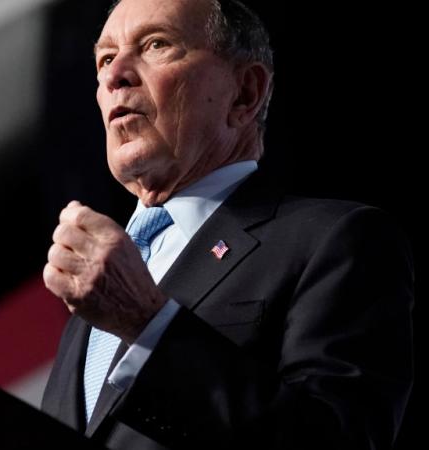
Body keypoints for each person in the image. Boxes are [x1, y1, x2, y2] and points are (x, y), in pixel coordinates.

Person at [40, 0, 414, 449]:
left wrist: (147, 324)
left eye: (157, 44)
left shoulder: (335, 240)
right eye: (104, 58)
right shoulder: (97, 296)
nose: (114, 74)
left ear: (245, 94)